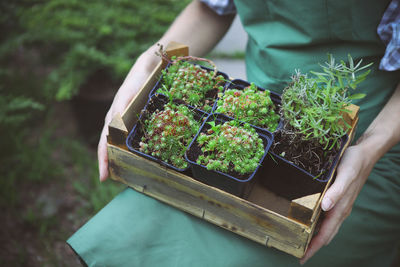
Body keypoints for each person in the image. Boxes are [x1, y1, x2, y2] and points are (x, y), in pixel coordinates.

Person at [69, 0, 400, 266]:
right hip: (252, 111)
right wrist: (152, 57)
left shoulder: (363, 146)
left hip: (356, 144)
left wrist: (369, 149)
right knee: (125, 234)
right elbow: (210, 8)